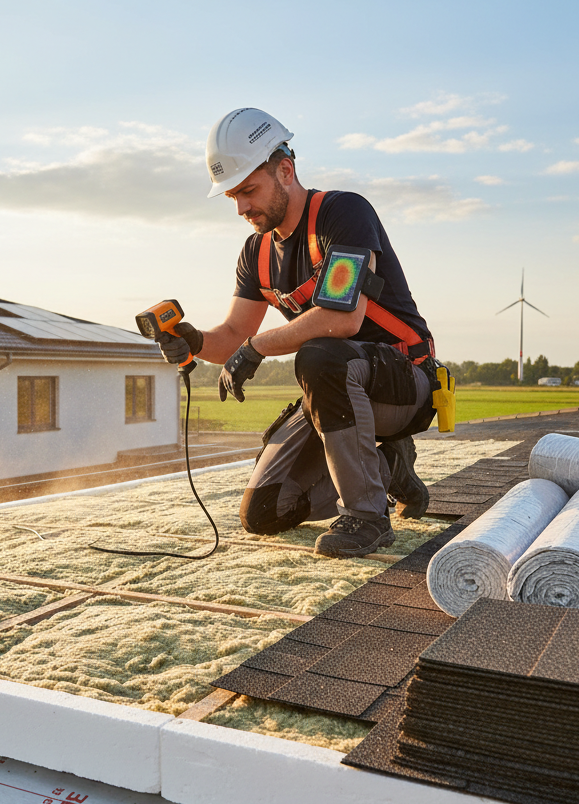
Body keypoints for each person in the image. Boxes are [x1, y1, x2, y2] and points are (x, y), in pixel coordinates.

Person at [159, 108, 437, 558]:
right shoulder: (257, 252)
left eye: (248, 191)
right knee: (264, 512)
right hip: (334, 389)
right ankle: (391, 466)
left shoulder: (344, 213)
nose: (241, 208)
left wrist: (256, 348)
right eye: (232, 196)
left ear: (285, 170)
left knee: (321, 354)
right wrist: (195, 341)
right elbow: (233, 334)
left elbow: (340, 318)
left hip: (404, 383)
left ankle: (367, 517)